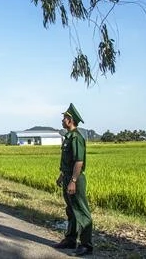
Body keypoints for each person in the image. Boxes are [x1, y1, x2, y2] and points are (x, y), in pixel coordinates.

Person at [53, 103, 93, 257]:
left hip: (75, 178)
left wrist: (73, 180)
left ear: (70, 120)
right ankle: (70, 239)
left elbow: (78, 162)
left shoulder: (76, 138)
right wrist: (62, 176)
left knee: (81, 211)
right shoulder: (68, 137)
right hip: (68, 176)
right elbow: (68, 162)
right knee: (71, 210)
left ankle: (86, 245)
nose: (62, 120)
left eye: (64, 118)